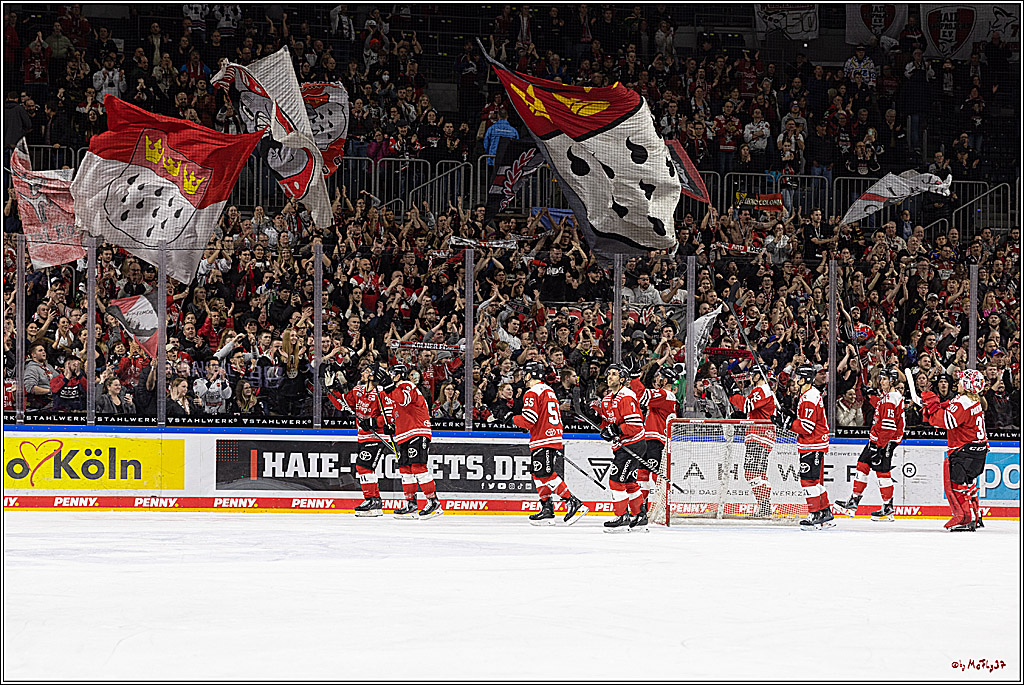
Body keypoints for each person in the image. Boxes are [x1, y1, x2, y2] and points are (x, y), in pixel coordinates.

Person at [512, 361, 588, 525]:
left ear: (529, 375)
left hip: (543, 438)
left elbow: (528, 420)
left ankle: (573, 502)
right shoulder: (549, 390)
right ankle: (547, 508)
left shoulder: (532, 392)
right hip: (551, 436)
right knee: (537, 473)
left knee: (544, 474)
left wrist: (513, 419)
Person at [833, 367, 904, 521]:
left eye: (885, 379)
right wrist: (870, 395)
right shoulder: (888, 397)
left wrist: (878, 448)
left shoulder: (891, 399)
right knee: (862, 465)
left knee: (882, 472)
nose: (881, 381)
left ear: (892, 381)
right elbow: (881, 407)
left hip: (885, 441)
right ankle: (854, 501)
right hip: (877, 439)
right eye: (881, 378)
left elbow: (889, 427)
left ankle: (888, 507)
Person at [922, 369, 988, 532]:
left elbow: (945, 421)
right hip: (979, 451)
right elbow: (953, 407)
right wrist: (939, 404)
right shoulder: (974, 400)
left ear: (966, 385)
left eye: (960, 381)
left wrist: (931, 405)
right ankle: (975, 515)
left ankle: (965, 518)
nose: (957, 383)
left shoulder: (963, 403)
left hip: (964, 451)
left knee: (957, 484)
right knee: (969, 483)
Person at [375, 362, 442, 519]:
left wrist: (388, 385)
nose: (389, 378)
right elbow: (397, 413)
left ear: (398, 376)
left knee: (418, 467)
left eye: (391, 375)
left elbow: (404, 400)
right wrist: (391, 426)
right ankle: (410, 504)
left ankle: (433, 502)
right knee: (405, 470)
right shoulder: (393, 392)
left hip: (417, 432)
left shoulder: (407, 385)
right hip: (404, 435)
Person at [779, 363, 835, 529]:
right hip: (815, 442)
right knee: (814, 481)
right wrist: (789, 417)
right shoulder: (809, 395)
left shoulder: (809, 398)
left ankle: (814, 514)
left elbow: (807, 427)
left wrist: (787, 424)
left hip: (813, 443)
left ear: (803, 379)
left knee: (808, 480)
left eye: (797, 377)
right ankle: (825, 513)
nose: (795, 380)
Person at [597, 363, 647, 532]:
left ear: (623, 379)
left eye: (614, 374)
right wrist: (603, 425)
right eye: (609, 373)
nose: (610, 376)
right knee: (629, 482)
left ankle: (622, 516)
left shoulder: (626, 396)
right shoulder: (606, 400)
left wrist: (616, 430)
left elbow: (635, 425)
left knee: (616, 480)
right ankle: (639, 516)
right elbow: (608, 424)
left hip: (633, 445)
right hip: (623, 445)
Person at [724, 365, 777, 518]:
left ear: (759, 375)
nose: (750, 377)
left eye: (753, 374)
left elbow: (747, 405)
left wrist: (734, 393)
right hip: (763, 435)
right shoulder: (764, 391)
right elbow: (752, 410)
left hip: (759, 436)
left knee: (751, 473)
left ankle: (765, 506)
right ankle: (764, 507)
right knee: (759, 474)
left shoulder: (762, 390)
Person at [344, 364, 395, 517]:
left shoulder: (381, 393)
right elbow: (344, 405)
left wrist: (372, 422)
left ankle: (371, 499)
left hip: (376, 436)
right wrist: (332, 389)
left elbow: (388, 417)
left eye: (367, 371)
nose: (363, 373)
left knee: (363, 467)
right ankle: (375, 502)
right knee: (365, 468)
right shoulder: (357, 390)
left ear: (373, 375)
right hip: (362, 436)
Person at [635, 364, 678, 519]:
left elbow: (641, 394)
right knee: (642, 475)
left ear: (665, 379)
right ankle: (642, 508)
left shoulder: (666, 395)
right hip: (648, 439)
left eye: (660, 377)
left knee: (655, 475)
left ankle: (661, 507)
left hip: (656, 441)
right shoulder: (663, 395)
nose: (657, 380)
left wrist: (634, 378)